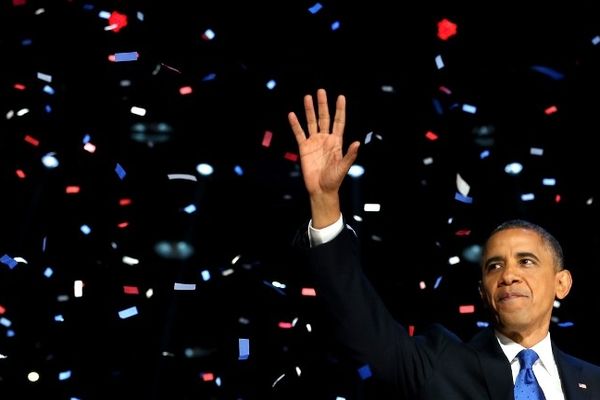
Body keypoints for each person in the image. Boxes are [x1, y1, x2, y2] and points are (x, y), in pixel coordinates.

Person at [287, 88, 600, 399]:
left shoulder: (594, 382)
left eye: (526, 261)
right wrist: (325, 202)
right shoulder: (439, 362)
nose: (508, 275)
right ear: (482, 291)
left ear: (562, 283)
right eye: (494, 265)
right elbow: (360, 320)